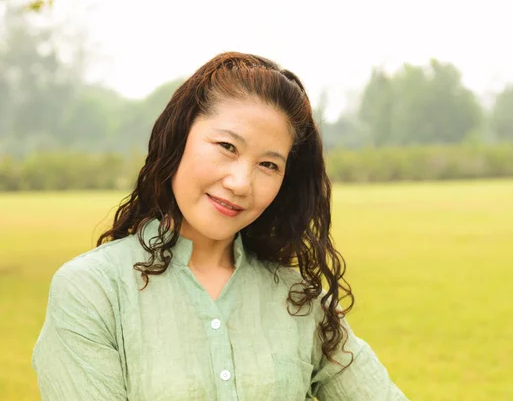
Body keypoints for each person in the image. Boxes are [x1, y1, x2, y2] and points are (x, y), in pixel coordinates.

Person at [32, 51, 410, 400]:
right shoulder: (93, 290)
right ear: (178, 138)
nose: (241, 183)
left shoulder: (298, 300)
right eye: (227, 147)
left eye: (269, 165)